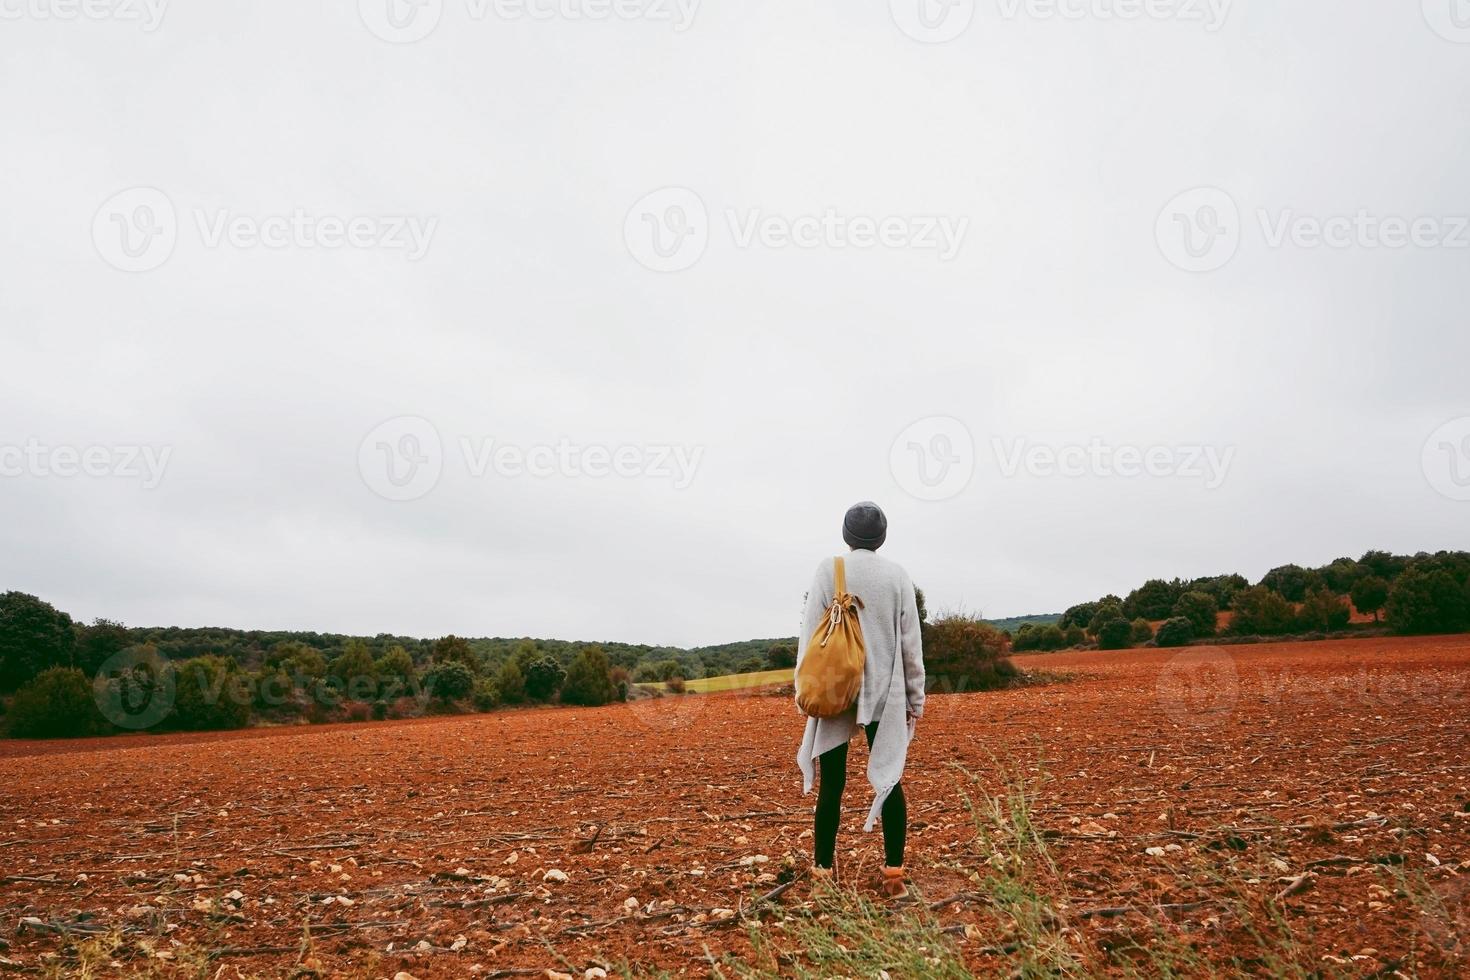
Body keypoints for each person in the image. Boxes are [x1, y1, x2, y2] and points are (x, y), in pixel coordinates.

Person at [795, 501, 925, 898]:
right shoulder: (898, 576)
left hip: (836, 684)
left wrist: (805, 686)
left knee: (832, 784)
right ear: (881, 537)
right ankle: (894, 877)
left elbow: (810, 632)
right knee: (890, 780)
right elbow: (910, 643)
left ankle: (821, 876)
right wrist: (915, 697)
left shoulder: (828, 569)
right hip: (884, 690)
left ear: (846, 536)